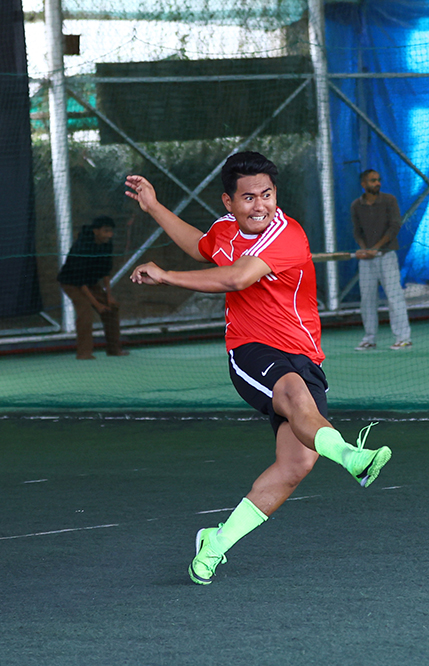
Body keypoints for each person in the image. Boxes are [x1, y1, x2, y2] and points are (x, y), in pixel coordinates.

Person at [124, 152, 393, 585]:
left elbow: (235, 278)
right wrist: (154, 206)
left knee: (296, 465)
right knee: (290, 393)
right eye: (248, 198)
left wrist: (167, 275)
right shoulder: (227, 230)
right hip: (250, 349)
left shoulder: (287, 236)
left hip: (303, 355)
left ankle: (215, 542)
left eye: (267, 195)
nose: (260, 205)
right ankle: (352, 456)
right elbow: (200, 245)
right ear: (228, 202)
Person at [351, 169, 412, 351]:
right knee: (367, 299)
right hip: (366, 260)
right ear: (364, 184)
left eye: (378, 180)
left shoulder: (389, 200)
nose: (377, 183)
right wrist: (364, 248)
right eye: (372, 180)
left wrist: (376, 248)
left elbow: (394, 227)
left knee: (394, 297)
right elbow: (357, 231)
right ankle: (369, 338)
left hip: (387, 257)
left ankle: (403, 338)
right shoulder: (356, 206)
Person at [57, 216, 127, 360]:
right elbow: (80, 280)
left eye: (111, 231)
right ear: (96, 231)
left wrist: (109, 297)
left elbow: (106, 272)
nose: (110, 235)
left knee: (111, 309)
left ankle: (114, 349)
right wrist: (97, 304)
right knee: (85, 310)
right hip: (72, 283)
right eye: (106, 231)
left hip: (90, 283)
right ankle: (84, 353)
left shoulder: (107, 244)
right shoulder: (81, 247)